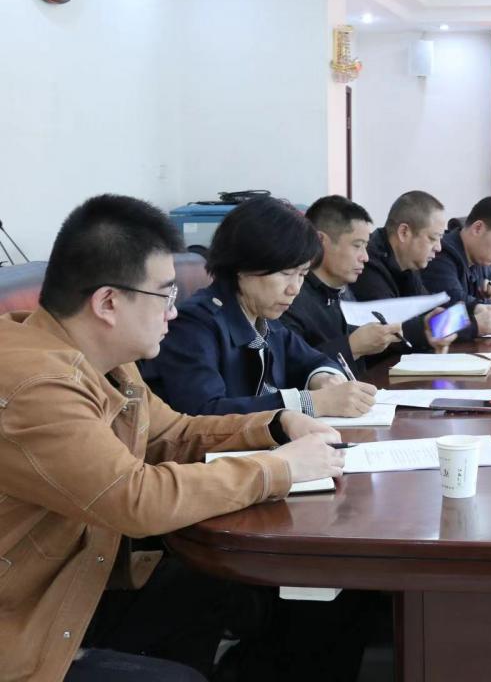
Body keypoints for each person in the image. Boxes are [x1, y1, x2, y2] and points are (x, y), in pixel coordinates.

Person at [0, 194, 344, 681]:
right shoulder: (36, 384)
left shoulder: (107, 362)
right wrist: (279, 468)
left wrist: (274, 425)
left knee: (218, 588)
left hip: (80, 584)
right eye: (165, 296)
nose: (174, 313)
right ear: (108, 302)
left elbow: (173, 433)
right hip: (24, 624)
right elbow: (135, 497)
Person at [143, 196, 377, 417]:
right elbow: (204, 412)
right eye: (286, 273)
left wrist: (324, 378)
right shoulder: (194, 326)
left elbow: (314, 360)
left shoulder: (266, 321)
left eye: (302, 274)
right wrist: (311, 403)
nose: (294, 288)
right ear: (243, 266)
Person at [279, 196, 454, 376]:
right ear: (320, 241)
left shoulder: (343, 290)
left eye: (365, 246)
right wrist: (352, 346)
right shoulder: (290, 297)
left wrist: (421, 330)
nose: (365, 257)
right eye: (357, 246)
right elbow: (286, 370)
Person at [421, 197, 491, 339]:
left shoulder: (480, 258)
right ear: (478, 228)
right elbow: (451, 304)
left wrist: (488, 297)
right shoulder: (441, 255)